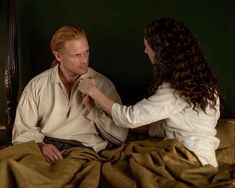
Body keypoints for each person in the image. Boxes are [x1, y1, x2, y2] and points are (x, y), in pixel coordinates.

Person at [78, 18, 220, 168]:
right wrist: (98, 113)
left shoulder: (175, 90)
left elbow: (129, 118)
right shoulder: (206, 85)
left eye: (148, 47)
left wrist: (92, 91)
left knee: (117, 167)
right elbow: (169, 125)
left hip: (187, 159)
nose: (145, 51)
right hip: (207, 158)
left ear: (160, 52)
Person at [12, 25, 128, 161]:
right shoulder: (37, 84)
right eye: (77, 55)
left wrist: (93, 109)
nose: (84, 60)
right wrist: (41, 145)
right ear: (58, 55)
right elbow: (21, 131)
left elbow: (120, 136)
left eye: (86, 52)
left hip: (86, 151)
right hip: (46, 149)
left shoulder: (103, 85)